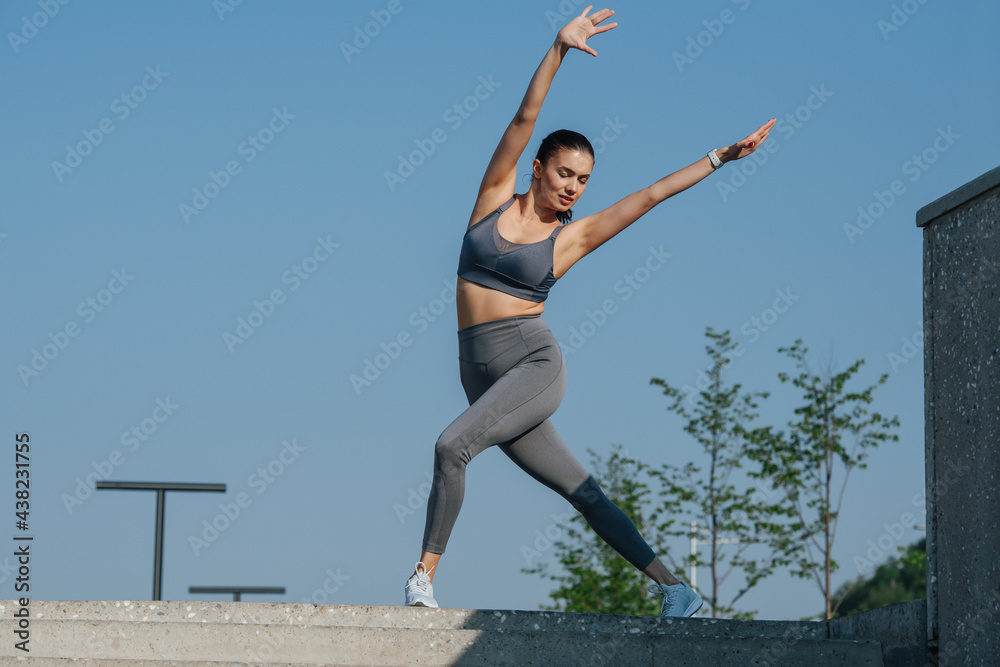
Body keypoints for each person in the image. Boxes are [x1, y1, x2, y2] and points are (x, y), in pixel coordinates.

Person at [403, 6, 774, 618]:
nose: (573, 186)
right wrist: (558, 48)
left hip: (531, 366)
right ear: (538, 168)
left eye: (583, 179)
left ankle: (421, 580)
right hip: (480, 374)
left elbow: (649, 196)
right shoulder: (492, 199)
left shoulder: (569, 239)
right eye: (565, 173)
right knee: (582, 491)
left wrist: (719, 157)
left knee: (451, 447)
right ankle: (675, 589)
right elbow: (524, 119)